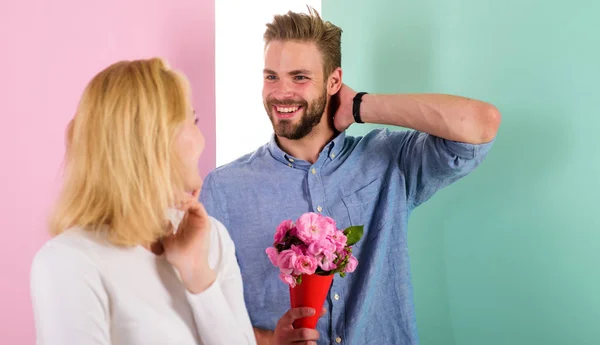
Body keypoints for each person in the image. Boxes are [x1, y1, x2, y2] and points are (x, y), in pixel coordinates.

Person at [199, 7, 502, 345]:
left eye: (299, 77)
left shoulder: (389, 160)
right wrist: (268, 342)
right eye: (271, 76)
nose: (281, 92)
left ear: (333, 81)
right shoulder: (224, 189)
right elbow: (200, 310)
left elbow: (481, 124)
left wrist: (359, 106)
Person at [30, 58, 260, 345]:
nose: (201, 138)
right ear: (154, 139)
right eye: (193, 120)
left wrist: (197, 275)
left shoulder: (211, 238)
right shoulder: (68, 260)